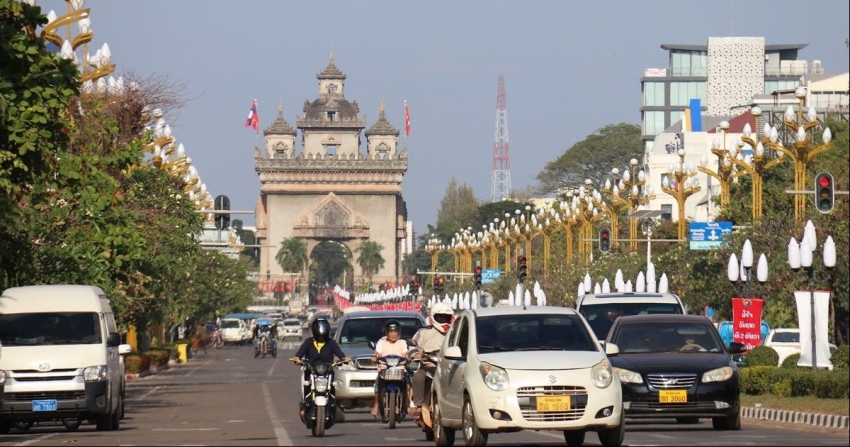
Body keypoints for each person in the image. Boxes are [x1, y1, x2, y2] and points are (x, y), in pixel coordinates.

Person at [289, 318, 350, 417]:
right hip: (311, 371)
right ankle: (305, 406)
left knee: (333, 386)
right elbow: (298, 355)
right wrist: (297, 359)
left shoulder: (331, 343)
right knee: (306, 385)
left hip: (327, 371)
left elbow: (341, 355)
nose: (321, 335)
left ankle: (334, 405)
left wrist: (344, 358)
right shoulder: (308, 342)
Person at [409, 302, 454, 420]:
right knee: (418, 377)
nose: (443, 320)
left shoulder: (454, 333)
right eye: (440, 317)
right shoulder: (423, 332)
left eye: (446, 317)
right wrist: (416, 354)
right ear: (433, 316)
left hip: (448, 367)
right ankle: (419, 405)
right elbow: (412, 346)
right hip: (428, 365)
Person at [370, 319, 410, 420]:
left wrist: (408, 357)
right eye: (391, 332)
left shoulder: (403, 342)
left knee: (408, 382)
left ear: (399, 332)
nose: (393, 334)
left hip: (399, 369)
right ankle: (376, 404)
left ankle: (408, 403)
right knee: (377, 384)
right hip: (384, 369)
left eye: (395, 331)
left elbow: (405, 353)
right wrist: (376, 358)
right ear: (387, 332)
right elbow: (378, 353)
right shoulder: (381, 342)